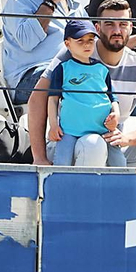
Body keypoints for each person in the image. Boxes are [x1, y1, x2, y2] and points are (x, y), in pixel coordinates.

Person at [1, 0, 88, 105]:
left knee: (128, 77)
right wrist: (50, 1)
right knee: (68, 77)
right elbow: (27, 40)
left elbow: (91, 45)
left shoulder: (75, 4)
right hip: (29, 78)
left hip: (70, 72)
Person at [42, 17, 121, 166]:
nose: (86, 44)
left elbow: (112, 98)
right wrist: (53, 125)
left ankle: (123, 189)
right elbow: (53, 99)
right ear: (67, 44)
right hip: (69, 130)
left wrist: (116, 115)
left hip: (103, 129)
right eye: (80, 41)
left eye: (90, 40)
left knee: (119, 164)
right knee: (62, 164)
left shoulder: (102, 69)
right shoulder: (63, 68)